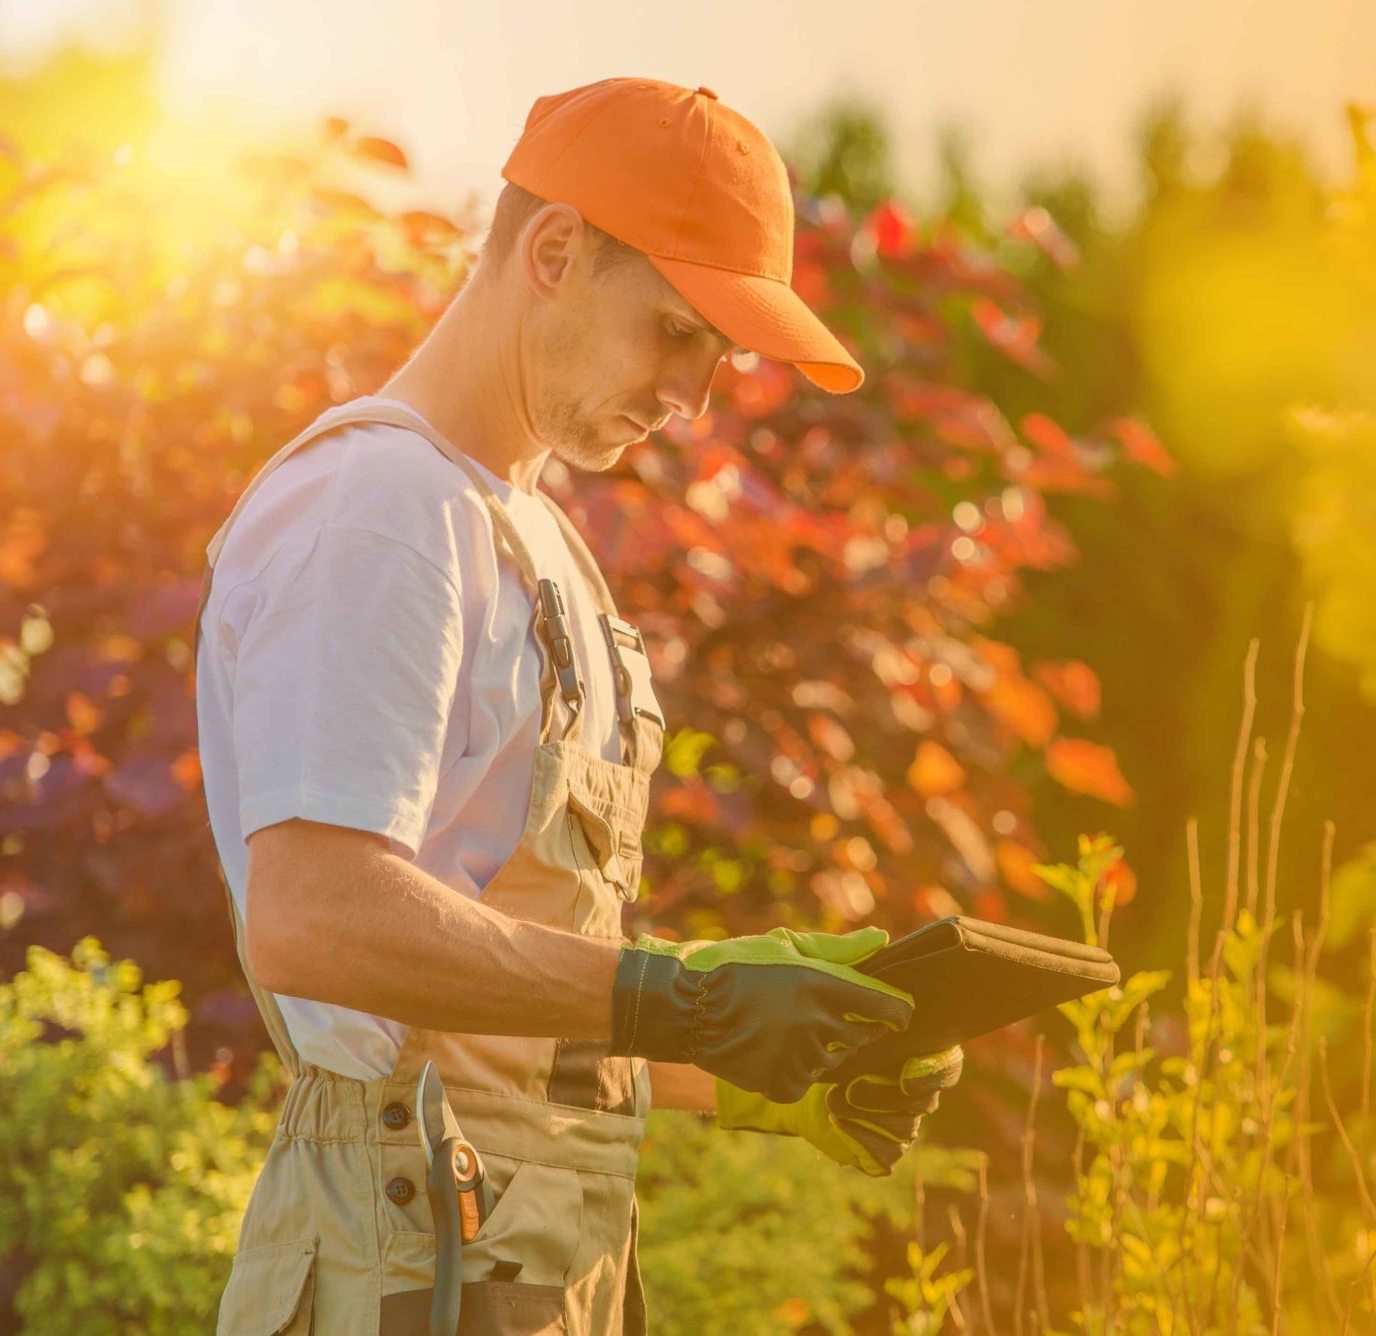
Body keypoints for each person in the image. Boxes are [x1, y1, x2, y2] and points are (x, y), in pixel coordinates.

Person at [197, 77, 959, 1336]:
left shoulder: (537, 538)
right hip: (407, 1258)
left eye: (717, 357)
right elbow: (314, 914)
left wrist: (756, 1061)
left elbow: (506, 1014)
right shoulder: (382, 510)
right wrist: (683, 997)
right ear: (552, 250)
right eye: (673, 332)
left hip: (534, 1254)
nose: (691, 398)